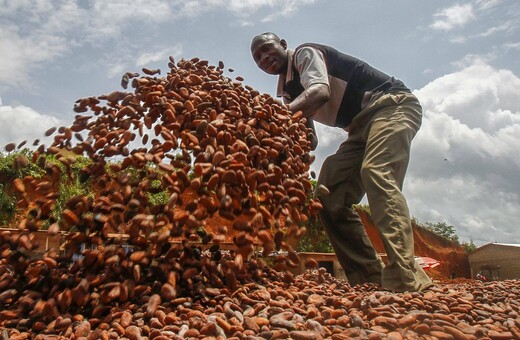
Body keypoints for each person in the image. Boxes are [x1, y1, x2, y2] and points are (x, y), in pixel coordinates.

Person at [250, 32, 433, 292]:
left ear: (283, 45)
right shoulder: (287, 91)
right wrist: (271, 151)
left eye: (267, 49)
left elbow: (319, 92)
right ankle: (368, 277)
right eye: (257, 58)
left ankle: (404, 277)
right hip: (358, 128)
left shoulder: (305, 54)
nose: (264, 58)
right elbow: (309, 139)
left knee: (376, 172)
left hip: (391, 106)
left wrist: (271, 119)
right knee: (327, 194)